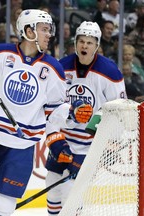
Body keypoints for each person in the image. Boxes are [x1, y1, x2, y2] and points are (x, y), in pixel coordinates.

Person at [0, 9, 92, 216]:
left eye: (50, 30)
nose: (50, 34)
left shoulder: (53, 68)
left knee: (4, 204)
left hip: (22, 145)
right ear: (29, 31)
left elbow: (54, 111)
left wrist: (72, 114)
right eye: (44, 29)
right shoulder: (0, 54)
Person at [45, 21, 127, 215]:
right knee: (53, 185)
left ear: (97, 45)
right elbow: (51, 106)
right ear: (75, 43)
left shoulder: (110, 72)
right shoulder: (61, 67)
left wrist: (111, 142)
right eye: (81, 41)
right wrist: (54, 137)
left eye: (89, 42)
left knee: (71, 191)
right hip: (63, 139)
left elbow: (120, 110)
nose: (84, 46)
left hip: (90, 144)